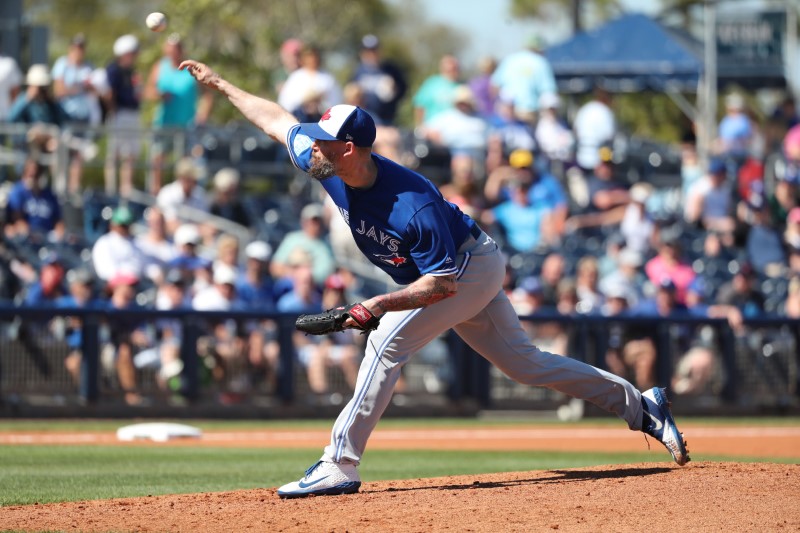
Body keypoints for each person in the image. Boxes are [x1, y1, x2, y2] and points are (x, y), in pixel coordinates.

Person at [179, 58, 690, 499]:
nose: (313, 149)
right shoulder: (329, 168)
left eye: (324, 144)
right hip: (461, 268)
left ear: (352, 149)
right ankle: (641, 405)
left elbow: (442, 285)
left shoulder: (412, 203)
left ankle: (339, 464)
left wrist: (377, 306)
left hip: (467, 268)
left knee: (384, 343)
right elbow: (276, 120)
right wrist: (221, 85)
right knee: (525, 365)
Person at [145, 33, 213, 192]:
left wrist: (202, 115)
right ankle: (156, 193)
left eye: (177, 47)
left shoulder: (191, 68)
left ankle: (185, 193)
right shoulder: (159, 67)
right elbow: (148, 91)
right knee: (158, 159)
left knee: (186, 164)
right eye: (171, 47)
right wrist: (158, 94)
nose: (173, 50)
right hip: (164, 123)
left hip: (187, 125)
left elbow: (208, 93)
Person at [104, 34, 142, 197]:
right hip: (119, 114)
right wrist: (113, 111)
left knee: (130, 153)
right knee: (115, 153)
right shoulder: (114, 69)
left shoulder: (131, 71)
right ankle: (111, 188)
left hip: (132, 113)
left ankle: (127, 187)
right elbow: (110, 93)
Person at [489, 35, 556, 122]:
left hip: (506, 112)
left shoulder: (509, 59)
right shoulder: (541, 62)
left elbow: (494, 86)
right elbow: (548, 92)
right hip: (529, 113)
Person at [349, 35, 407, 125]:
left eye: (374, 50)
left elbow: (403, 89)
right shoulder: (357, 71)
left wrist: (395, 89)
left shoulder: (390, 69)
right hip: (363, 119)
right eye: (368, 50)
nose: (372, 54)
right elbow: (350, 94)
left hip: (387, 119)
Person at [412, 54, 461, 126]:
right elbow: (420, 106)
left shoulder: (463, 86)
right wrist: (420, 127)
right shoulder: (432, 83)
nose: (452, 69)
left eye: (454, 68)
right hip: (433, 128)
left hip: (456, 128)